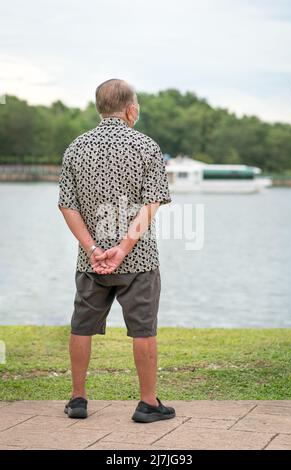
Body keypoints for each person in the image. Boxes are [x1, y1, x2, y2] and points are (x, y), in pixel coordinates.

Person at [58, 78, 175, 423]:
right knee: (143, 329)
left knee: (81, 326)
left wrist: (94, 248)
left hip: (91, 261)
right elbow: (151, 204)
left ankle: (78, 399)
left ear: (99, 108)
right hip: (138, 260)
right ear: (131, 109)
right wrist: (123, 249)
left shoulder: (75, 148)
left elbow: (66, 205)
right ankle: (148, 403)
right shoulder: (147, 147)